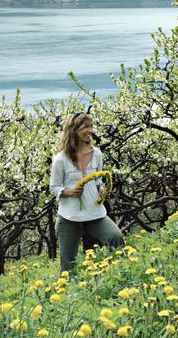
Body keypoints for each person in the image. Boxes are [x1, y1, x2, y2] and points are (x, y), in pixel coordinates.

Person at [49, 112, 125, 273]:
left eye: (91, 126)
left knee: (115, 237)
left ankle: (118, 274)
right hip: (70, 217)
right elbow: (54, 187)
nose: (90, 130)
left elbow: (98, 179)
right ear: (74, 130)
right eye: (86, 127)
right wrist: (69, 191)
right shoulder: (61, 159)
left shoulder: (97, 154)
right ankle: (68, 294)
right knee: (67, 265)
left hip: (94, 213)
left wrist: (101, 188)